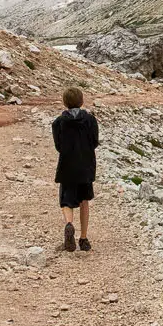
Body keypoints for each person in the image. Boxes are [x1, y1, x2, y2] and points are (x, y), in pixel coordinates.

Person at [51, 86, 99, 252]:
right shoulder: (91, 120)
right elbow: (94, 142)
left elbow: (58, 146)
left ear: (65, 103)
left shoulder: (58, 123)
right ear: (82, 101)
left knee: (66, 200)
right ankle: (84, 239)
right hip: (85, 166)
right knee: (84, 201)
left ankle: (69, 225)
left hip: (67, 166)